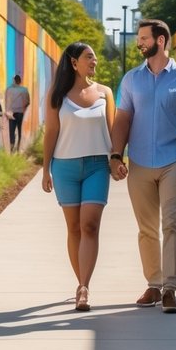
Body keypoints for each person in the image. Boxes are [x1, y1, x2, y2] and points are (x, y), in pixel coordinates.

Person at [110, 18, 176, 314]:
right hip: (138, 163)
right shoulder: (131, 79)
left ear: (160, 41)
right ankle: (153, 283)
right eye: (139, 38)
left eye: (143, 38)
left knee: (173, 224)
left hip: (173, 161)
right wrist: (116, 155)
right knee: (146, 228)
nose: (139, 43)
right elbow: (122, 119)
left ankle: (170, 289)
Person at [41, 42, 114, 312]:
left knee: (90, 226)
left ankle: (84, 287)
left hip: (97, 166)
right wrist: (45, 169)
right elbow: (51, 133)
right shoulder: (57, 94)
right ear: (74, 62)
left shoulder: (105, 92)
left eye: (95, 57)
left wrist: (118, 158)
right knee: (73, 228)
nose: (94, 61)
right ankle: (79, 281)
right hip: (64, 168)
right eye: (89, 57)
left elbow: (113, 129)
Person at [5, 74, 32, 152]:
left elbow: (7, 101)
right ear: (20, 81)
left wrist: (7, 111)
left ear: (14, 81)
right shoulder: (24, 90)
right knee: (20, 130)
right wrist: (23, 107)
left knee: (11, 131)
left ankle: (11, 148)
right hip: (20, 112)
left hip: (11, 113)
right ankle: (18, 148)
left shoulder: (8, 89)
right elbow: (28, 101)